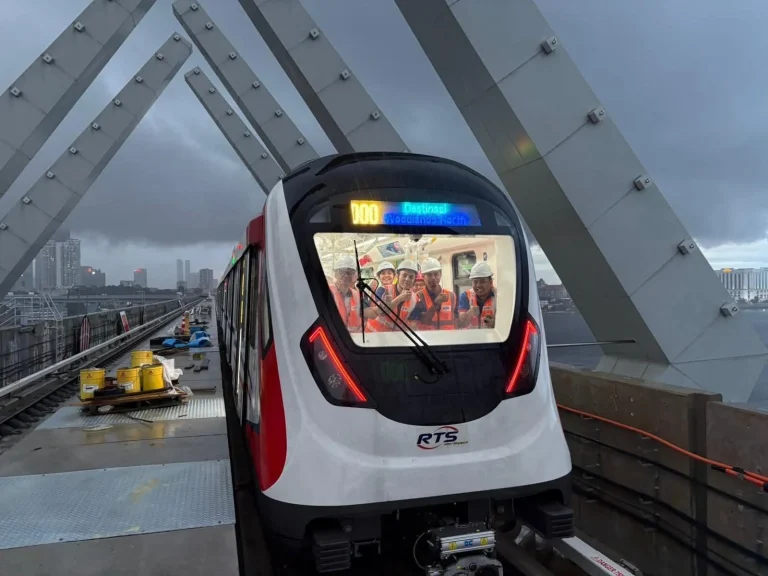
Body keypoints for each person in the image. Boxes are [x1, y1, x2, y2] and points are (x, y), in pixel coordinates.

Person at [366, 260, 420, 332]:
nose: (407, 279)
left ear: (414, 280)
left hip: (393, 335)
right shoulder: (383, 290)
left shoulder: (415, 299)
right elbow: (382, 312)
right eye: (404, 275)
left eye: (411, 277)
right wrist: (399, 298)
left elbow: (413, 322)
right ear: (397, 276)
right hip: (374, 332)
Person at [412, 257, 457, 330]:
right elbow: (424, 321)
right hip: (428, 337)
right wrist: (436, 303)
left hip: (448, 336)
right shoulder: (418, 297)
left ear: (440, 274)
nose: (433, 278)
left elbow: (457, 320)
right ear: (423, 276)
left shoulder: (451, 296)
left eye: (436, 274)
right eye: (429, 275)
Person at [457, 261, 496, 329]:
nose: (478, 285)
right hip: (471, 336)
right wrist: (469, 314)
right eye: (475, 282)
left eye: (482, 281)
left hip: (491, 335)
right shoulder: (465, 296)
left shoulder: (498, 296)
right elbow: (461, 324)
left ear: (490, 282)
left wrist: (495, 324)